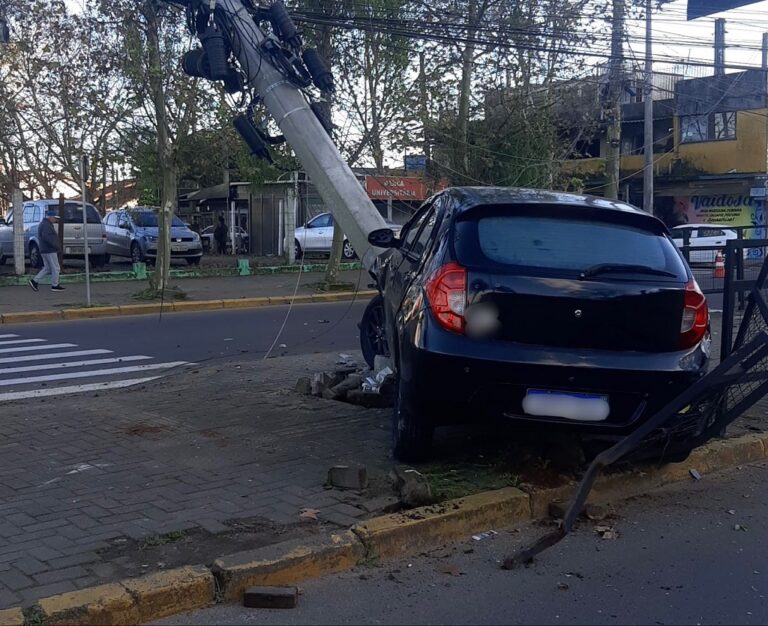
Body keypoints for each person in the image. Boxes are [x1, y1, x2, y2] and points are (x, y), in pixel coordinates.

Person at [28, 209, 64, 292]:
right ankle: (55, 285)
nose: (56, 220)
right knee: (56, 268)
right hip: (49, 249)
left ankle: (34, 281)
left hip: (45, 249)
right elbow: (47, 237)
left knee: (47, 268)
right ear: (50, 217)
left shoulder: (45, 224)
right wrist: (56, 246)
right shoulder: (46, 225)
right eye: (55, 218)